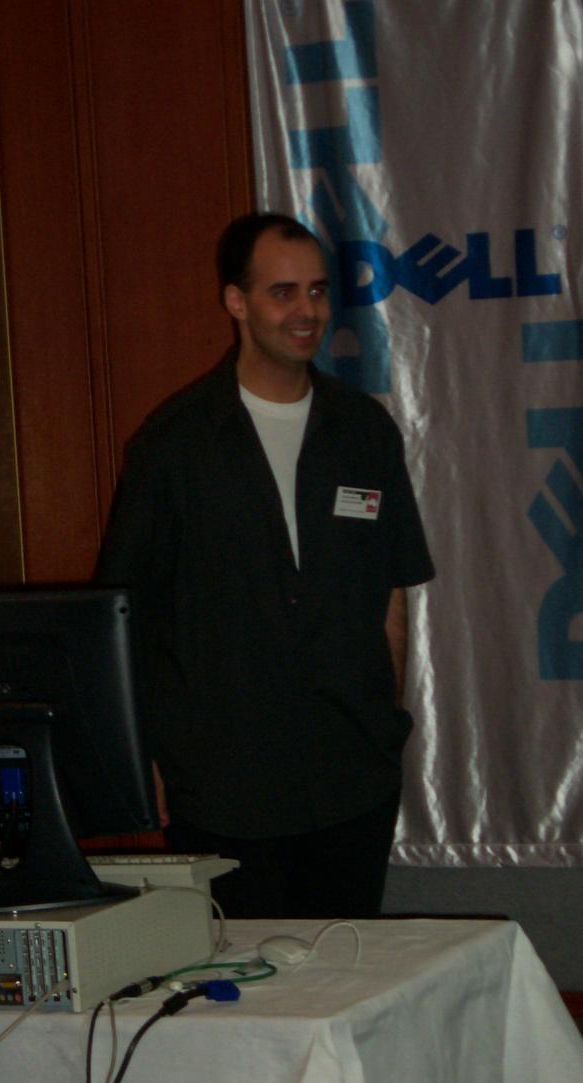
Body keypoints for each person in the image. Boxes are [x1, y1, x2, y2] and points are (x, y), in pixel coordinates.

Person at [97, 212, 434, 918]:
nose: (306, 311)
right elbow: (125, 613)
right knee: (245, 980)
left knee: (350, 967)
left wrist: (384, 724)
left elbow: (392, 593)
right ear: (237, 301)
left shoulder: (364, 432)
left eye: (317, 290)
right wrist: (142, 754)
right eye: (283, 293)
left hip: (351, 779)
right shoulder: (175, 444)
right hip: (224, 789)